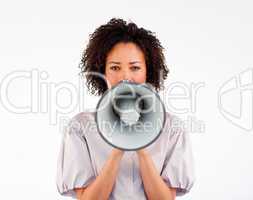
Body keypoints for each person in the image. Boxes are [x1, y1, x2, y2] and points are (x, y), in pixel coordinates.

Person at [56, 18, 195, 200]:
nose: (125, 77)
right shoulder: (80, 127)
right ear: (102, 71)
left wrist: (139, 144)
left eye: (135, 67)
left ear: (148, 71)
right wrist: (118, 146)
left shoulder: (172, 127)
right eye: (115, 67)